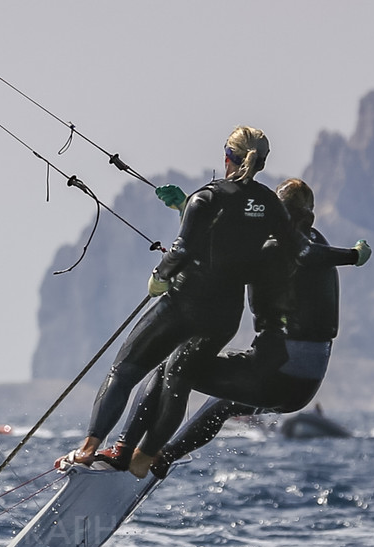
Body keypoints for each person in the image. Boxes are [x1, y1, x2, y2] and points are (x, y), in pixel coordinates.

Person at [60, 126, 319, 474]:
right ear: (262, 162)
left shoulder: (208, 197)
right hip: (225, 317)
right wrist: (351, 256)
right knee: (177, 374)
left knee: (124, 371)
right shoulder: (269, 205)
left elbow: (185, 249)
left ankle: (91, 449)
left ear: (227, 157)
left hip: (185, 305)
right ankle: (145, 456)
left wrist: (160, 276)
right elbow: (251, 242)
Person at [112, 178, 370, 477]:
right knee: (223, 404)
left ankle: (128, 451)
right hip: (304, 386)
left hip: (276, 372)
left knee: (171, 369)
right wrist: (187, 209)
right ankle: (163, 458)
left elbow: (225, 255)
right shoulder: (315, 242)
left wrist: (185, 246)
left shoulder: (280, 248)